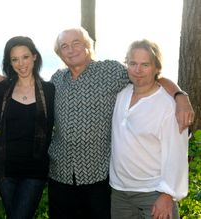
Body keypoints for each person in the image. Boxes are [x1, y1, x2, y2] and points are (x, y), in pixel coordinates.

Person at [47, 27, 194, 218]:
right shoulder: (57, 80)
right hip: (61, 173)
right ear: (59, 53)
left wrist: (180, 95)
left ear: (88, 46)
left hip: (98, 176)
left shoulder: (111, 71)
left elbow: (147, 76)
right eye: (64, 46)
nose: (71, 50)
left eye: (76, 43)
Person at [109, 39, 188, 219]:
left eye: (145, 64)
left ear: (156, 68)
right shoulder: (121, 95)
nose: (138, 70)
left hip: (154, 193)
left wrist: (168, 194)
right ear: (126, 65)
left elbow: (177, 154)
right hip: (119, 192)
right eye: (133, 63)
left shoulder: (169, 106)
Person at [0, 36, 54, 219]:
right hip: (5, 171)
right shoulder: (2, 89)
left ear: (34, 57)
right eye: (15, 59)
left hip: (34, 171)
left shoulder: (50, 90)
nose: (21, 63)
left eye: (25, 57)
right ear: (9, 63)